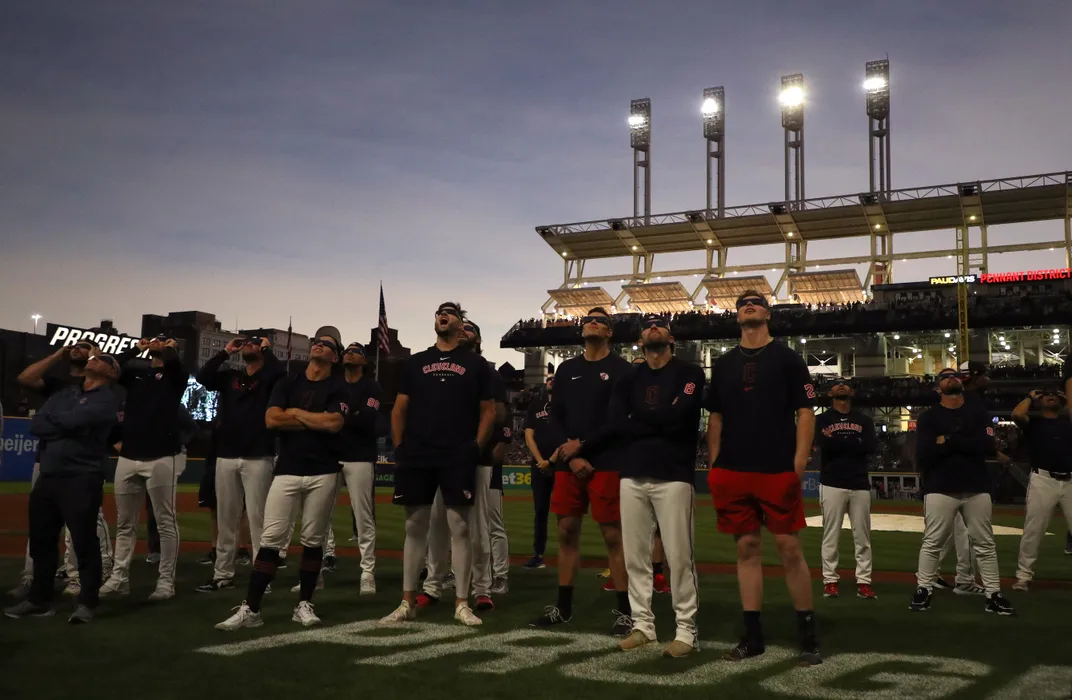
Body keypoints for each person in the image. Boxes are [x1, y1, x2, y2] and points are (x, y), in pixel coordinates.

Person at [705, 290, 821, 665]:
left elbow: (805, 412)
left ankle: (808, 637)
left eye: (754, 302)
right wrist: (714, 464)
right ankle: (752, 637)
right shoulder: (722, 364)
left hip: (775, 467)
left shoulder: (788, 358)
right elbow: (716, 418)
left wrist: (799, 463)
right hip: (733, 469)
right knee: (746, 548)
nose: (747, 305)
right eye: (741, 304)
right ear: (737, 316)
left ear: (768, 313)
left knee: (789, 548)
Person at [215, 332, 349, 630]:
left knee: (313, 540)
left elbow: (334, 423)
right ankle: (251, 609)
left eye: (327, 344)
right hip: (287, 469)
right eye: (317, 340)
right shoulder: (289, 382)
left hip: (323, 470)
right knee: (271, 540)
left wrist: (297, 413)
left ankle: (304, 603)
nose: (319, 344)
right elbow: (272, 419)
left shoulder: (338, 387)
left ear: (335, 356)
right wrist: (314, 418)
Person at [380, 302, 496, 627]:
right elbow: (399, 408)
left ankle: (461, 602)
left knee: (460, 526)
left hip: (457, 452)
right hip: (418, 452)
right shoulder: (416, 362)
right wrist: (400, 446)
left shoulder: (476, 364)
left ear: (461, 325)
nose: (442, 315)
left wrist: (475, 445)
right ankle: (406, 602)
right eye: (438, 312)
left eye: (450, 313)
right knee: (414, 526)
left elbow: (488, 409)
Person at [529, 307, 633, 636]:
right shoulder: (567, 369)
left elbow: (618, 421)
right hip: (568, 465)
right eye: (589, 319)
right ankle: (563, 608)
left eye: (600, 320)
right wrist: (570, 455)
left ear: (610, 332)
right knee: (565, 534)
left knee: (614, 538)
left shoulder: (622, 370)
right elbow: (554, 416)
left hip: (607, 461)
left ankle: (625, 612)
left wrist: (582, 446)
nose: (593, 322)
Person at [612, 315, 705, 657]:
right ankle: (643, 626)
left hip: (674, 474)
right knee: (636, 557)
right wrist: (655, 419)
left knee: (679, 558)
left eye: (660, 325)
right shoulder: (628, 376)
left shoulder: (690, 372)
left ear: (671, 338)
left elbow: (679, 418)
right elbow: (616, 421)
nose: (653, 328)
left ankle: (687, 631)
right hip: (632, 474)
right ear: (640, 339)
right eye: (648, 326)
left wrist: (639, 419)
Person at [3, 354, 120, 624]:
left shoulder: (107, 399)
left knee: (83, 542)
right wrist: (63, 422)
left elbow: (67, 421)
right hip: (49, 476)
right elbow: (37, 423)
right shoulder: (66, 392)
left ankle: (87, 602)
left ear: (112, 373)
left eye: (103, 359)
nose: (94, 359)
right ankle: (39, 599)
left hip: (82, 477)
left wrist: (59, 422)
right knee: (41, 541)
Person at [910, 367, 1014, 615]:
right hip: (939, 487)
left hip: (976, 486)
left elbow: (986, 446)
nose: (951, 379)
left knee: (985, 543)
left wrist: (947, 440)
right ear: (938, 388)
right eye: (945, 377)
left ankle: (993, 594)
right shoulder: (928, 417)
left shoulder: (977, 412)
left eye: (954, 376)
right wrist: (965, 441)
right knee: (932, 542)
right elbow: (924, 453)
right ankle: (923, 590)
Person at [99, 335, 189, 601]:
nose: (157, 342)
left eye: (165, 341)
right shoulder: (137, 375)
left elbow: (175, 365)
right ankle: (119, 577)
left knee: (165, 522)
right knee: (125, 523)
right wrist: (136, 348)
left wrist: (170, 347)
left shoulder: (176, 377)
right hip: (129, 455)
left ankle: (165, 582)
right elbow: (113, 367)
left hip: (162, 455)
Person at [194, 335, 285, 593]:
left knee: (259, 519)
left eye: (255, 343)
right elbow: (203, 376)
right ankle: (222, 574)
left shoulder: (270, 379)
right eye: (246, 343)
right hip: (226, 453)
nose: (249, 345)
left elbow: (279, 372)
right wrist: (225, 351)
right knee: (226, 519)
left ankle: (262, 577)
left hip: (258, 454)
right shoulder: (231, 377)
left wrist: (266, 349)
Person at [814, 378, 878, 599]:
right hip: (831, 483)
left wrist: (837, 442)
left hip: (859, 483)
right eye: (836, 384)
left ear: (851, 392)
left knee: (863, 537)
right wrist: (854, 443)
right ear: (829, 393)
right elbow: (823, 444)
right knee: (831, 536)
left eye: (845, 384)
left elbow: (870, 446)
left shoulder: (864, 420)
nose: (841, 386)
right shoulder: (821, 419)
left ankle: (864, 582)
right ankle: (830, 580)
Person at [1011, 388, 1072, 590]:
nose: (1051, 396)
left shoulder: (1068, 420)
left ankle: (1024, 575)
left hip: (1071, 480)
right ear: (1039, 401)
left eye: (1055, 394)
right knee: (1034, 530)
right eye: (1046, 394)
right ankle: (1024, 576)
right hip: (1043, 479)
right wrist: (1030, 396)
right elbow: (1017, 414)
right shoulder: (1034, 423)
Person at [338, 341, 384, 595]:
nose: (349, 354)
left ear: (364, 362)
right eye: (347, 351)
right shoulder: (335, 384)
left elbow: (368, 419)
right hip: (331, 455)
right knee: (319, 516)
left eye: (355, 352)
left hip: (360, 457)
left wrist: (337, 418)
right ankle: (317, 569)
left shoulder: (371, 386)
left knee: (364, 517)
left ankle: (368, 572)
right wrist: (349, 415)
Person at [522, 375, 559, 569]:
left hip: (561, 465)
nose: (551, 381)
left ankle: (568, 554)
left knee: (566, 514)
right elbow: (529, 436)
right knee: (540, 511)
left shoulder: (566, 404)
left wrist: (551, 460)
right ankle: (538, 554)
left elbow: (568, 435)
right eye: (549, 379)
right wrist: (541, 462)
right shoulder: (536, 405)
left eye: (555, 379)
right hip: (539, 467)